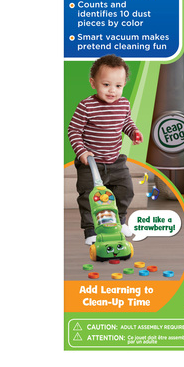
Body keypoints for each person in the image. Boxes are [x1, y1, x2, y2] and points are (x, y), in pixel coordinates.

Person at [68, 54, 143, 245]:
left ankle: (120, 220)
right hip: (91, 164)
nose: (112, 90)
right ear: (93, 83)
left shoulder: (124, 104)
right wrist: (82, 152)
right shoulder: (86, 106)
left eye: (118, 86)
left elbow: (126, 123)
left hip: (115, 161)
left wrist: (133, 132)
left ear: (124, 85)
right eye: (106, 84)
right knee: (89, 197)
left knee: (126, 190)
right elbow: (73, 130)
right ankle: (91, 230)